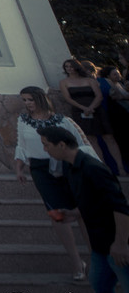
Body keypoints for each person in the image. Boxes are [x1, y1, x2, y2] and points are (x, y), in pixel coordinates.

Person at [40, 124, 129, 293]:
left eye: (47, 145)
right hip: (100, 245)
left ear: (62, 145)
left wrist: (121, 243)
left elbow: (121, 207)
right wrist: (74, 213)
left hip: (116, 243)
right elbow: (94, 200)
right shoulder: (71, 168)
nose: (45, 150)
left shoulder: (92, 167)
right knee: (100, 285)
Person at [12, 85, 89, 280]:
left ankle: (96, 256)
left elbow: (80, 144)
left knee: (81, 209)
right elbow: (21, 145)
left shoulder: (62, 121)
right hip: (40, 169)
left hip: (66, 165)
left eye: (30, 99)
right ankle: (76, 262)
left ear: (40, 99)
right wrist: (19, 167)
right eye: (24, 100)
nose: (27, 104)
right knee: (56, 213)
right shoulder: (24, 121)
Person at [60, 58, 123, 174]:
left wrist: (91, 107)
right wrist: (83, 108)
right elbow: (68, 98)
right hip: (80, 110)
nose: (69, 69)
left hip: (96, 109)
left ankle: (120, 167)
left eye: (71, 66)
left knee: (109, 137)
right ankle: (103, 167)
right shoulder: (64, 82)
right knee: (91, 139)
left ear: (76, 67)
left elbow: (98, 95)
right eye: (66, 67)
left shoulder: (89, 80)